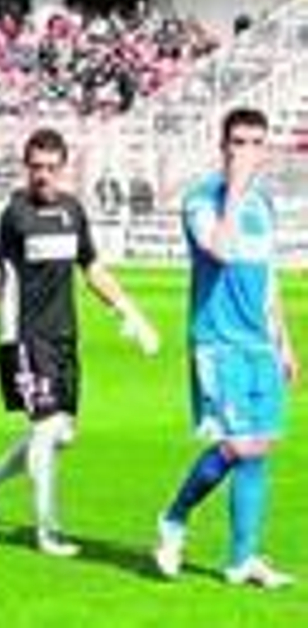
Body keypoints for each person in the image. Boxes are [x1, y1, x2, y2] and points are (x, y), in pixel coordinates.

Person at [0, 127, 160, 558]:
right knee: (46, 431)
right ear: (25, 168)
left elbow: (93, 268)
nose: (43, 175)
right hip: (23, 337)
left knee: (62, 434)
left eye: (51, 167)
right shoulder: (8, 214)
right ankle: (48, 531)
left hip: (64, 337)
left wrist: (130, 313)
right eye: (36, 167)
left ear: (63, 168)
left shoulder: (72, 210)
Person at [153, 108, 298, 589]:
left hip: (259, 342)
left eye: (256, 142)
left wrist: (284, 341)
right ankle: (173, 519)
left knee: (260, 448)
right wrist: (234, 189)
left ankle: (243, 559)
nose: (246, 151)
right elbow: (218, 248)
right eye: (238, 141)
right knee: (237, 444)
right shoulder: (202, 200)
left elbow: (268, 278)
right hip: (218, 341)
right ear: (222, 146)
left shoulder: (264, 207)